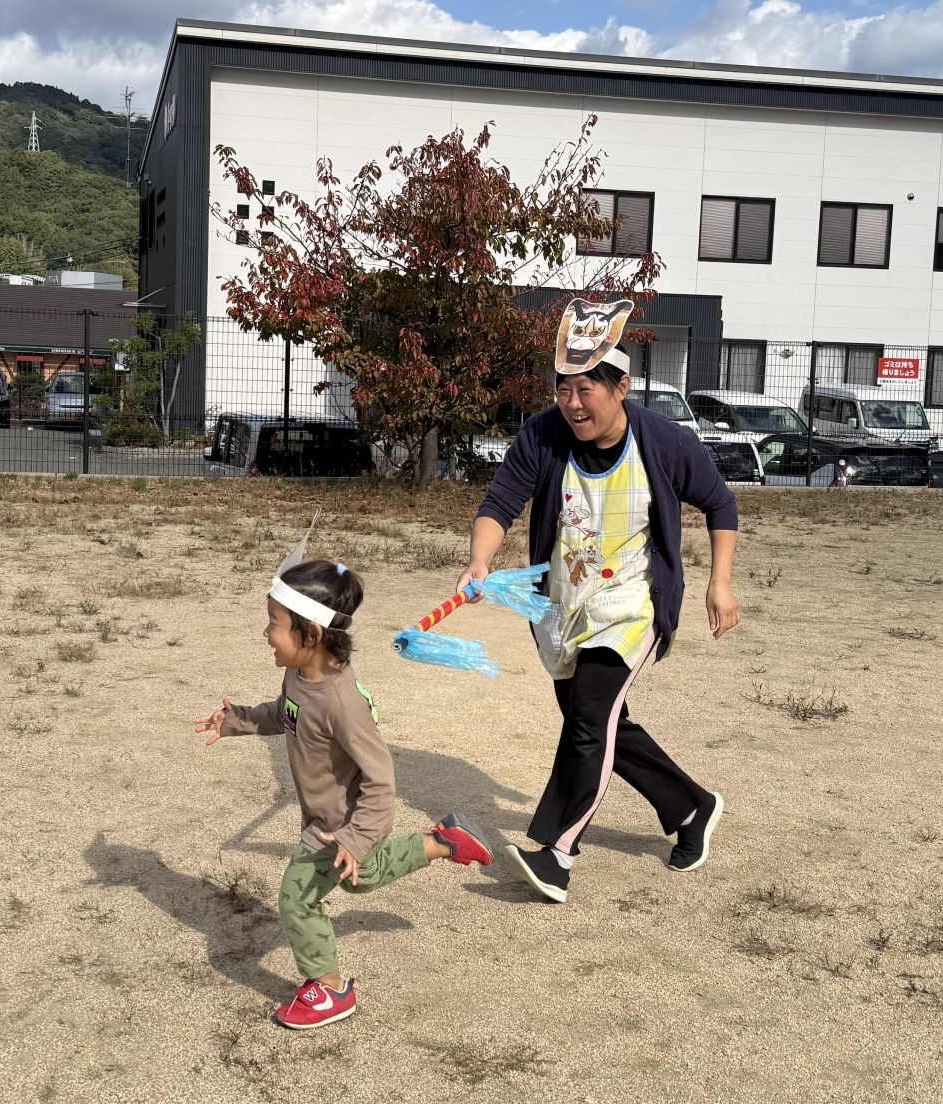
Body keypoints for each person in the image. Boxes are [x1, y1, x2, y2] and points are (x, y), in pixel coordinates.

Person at [456, 298, 740, 904]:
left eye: (586, 389)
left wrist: (720, 583)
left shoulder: (663, 442)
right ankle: (692, 806)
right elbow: (499, 503)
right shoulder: (542, 435)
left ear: (621, 386)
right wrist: (480, 560)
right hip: (561, 606)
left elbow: (720, 504)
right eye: (563, 389)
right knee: (601, 722)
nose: (573, 403)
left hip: (632, 605)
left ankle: (557, 852)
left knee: (589, 714)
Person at [195, 559, 492, 1029]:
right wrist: (238, 720)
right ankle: (445, 841)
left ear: (310, 635)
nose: (266, 634)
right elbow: (285, 713)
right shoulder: (300, 676)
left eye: (274, 624)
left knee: (297, 897)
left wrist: (355, 838)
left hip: (338, 827)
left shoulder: (342, 704)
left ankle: (330, 989)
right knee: (361, 879)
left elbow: (381, 781)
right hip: (328, 819)